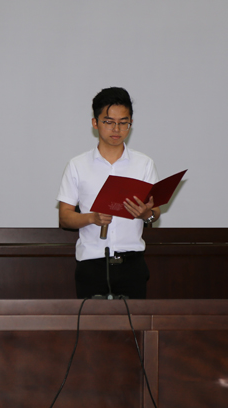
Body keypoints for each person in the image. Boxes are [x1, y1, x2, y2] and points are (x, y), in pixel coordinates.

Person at [57, 87, 160, 299]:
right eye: (109, 122)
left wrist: (146, 214)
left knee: (134, 321)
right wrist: (92, 218)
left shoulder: (144, 164)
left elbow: (155, 211)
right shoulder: (77, 165)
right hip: (91, 264)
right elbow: (65, 217)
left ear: (131, 123)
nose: (116, 129)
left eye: (123, 122)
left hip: (132, 263)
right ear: (95, 123)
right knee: (91, 321)